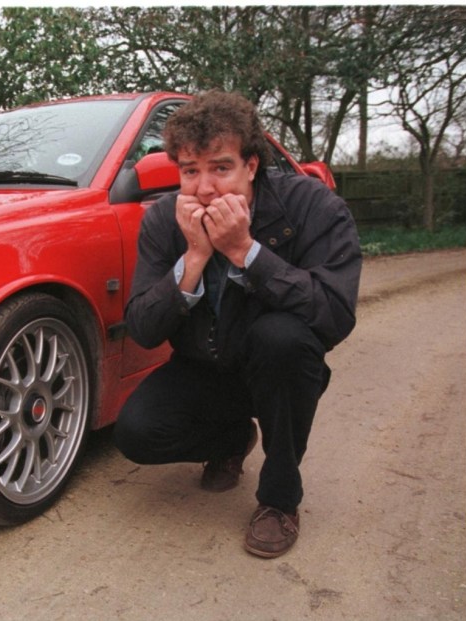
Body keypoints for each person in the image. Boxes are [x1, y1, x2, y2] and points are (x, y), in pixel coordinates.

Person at [114, 90, 361, 558]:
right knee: (136, 433)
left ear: (251, 165)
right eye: (191, 171)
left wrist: (245, 251)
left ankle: (280, 499)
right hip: (203, 365)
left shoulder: (314, 207)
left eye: (220, 168)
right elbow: (143, 329)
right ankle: (232, 439)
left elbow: (335, 314)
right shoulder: (166, 219)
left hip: (278, 366)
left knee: (281, 337)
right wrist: (194, 257)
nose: (204, 188)